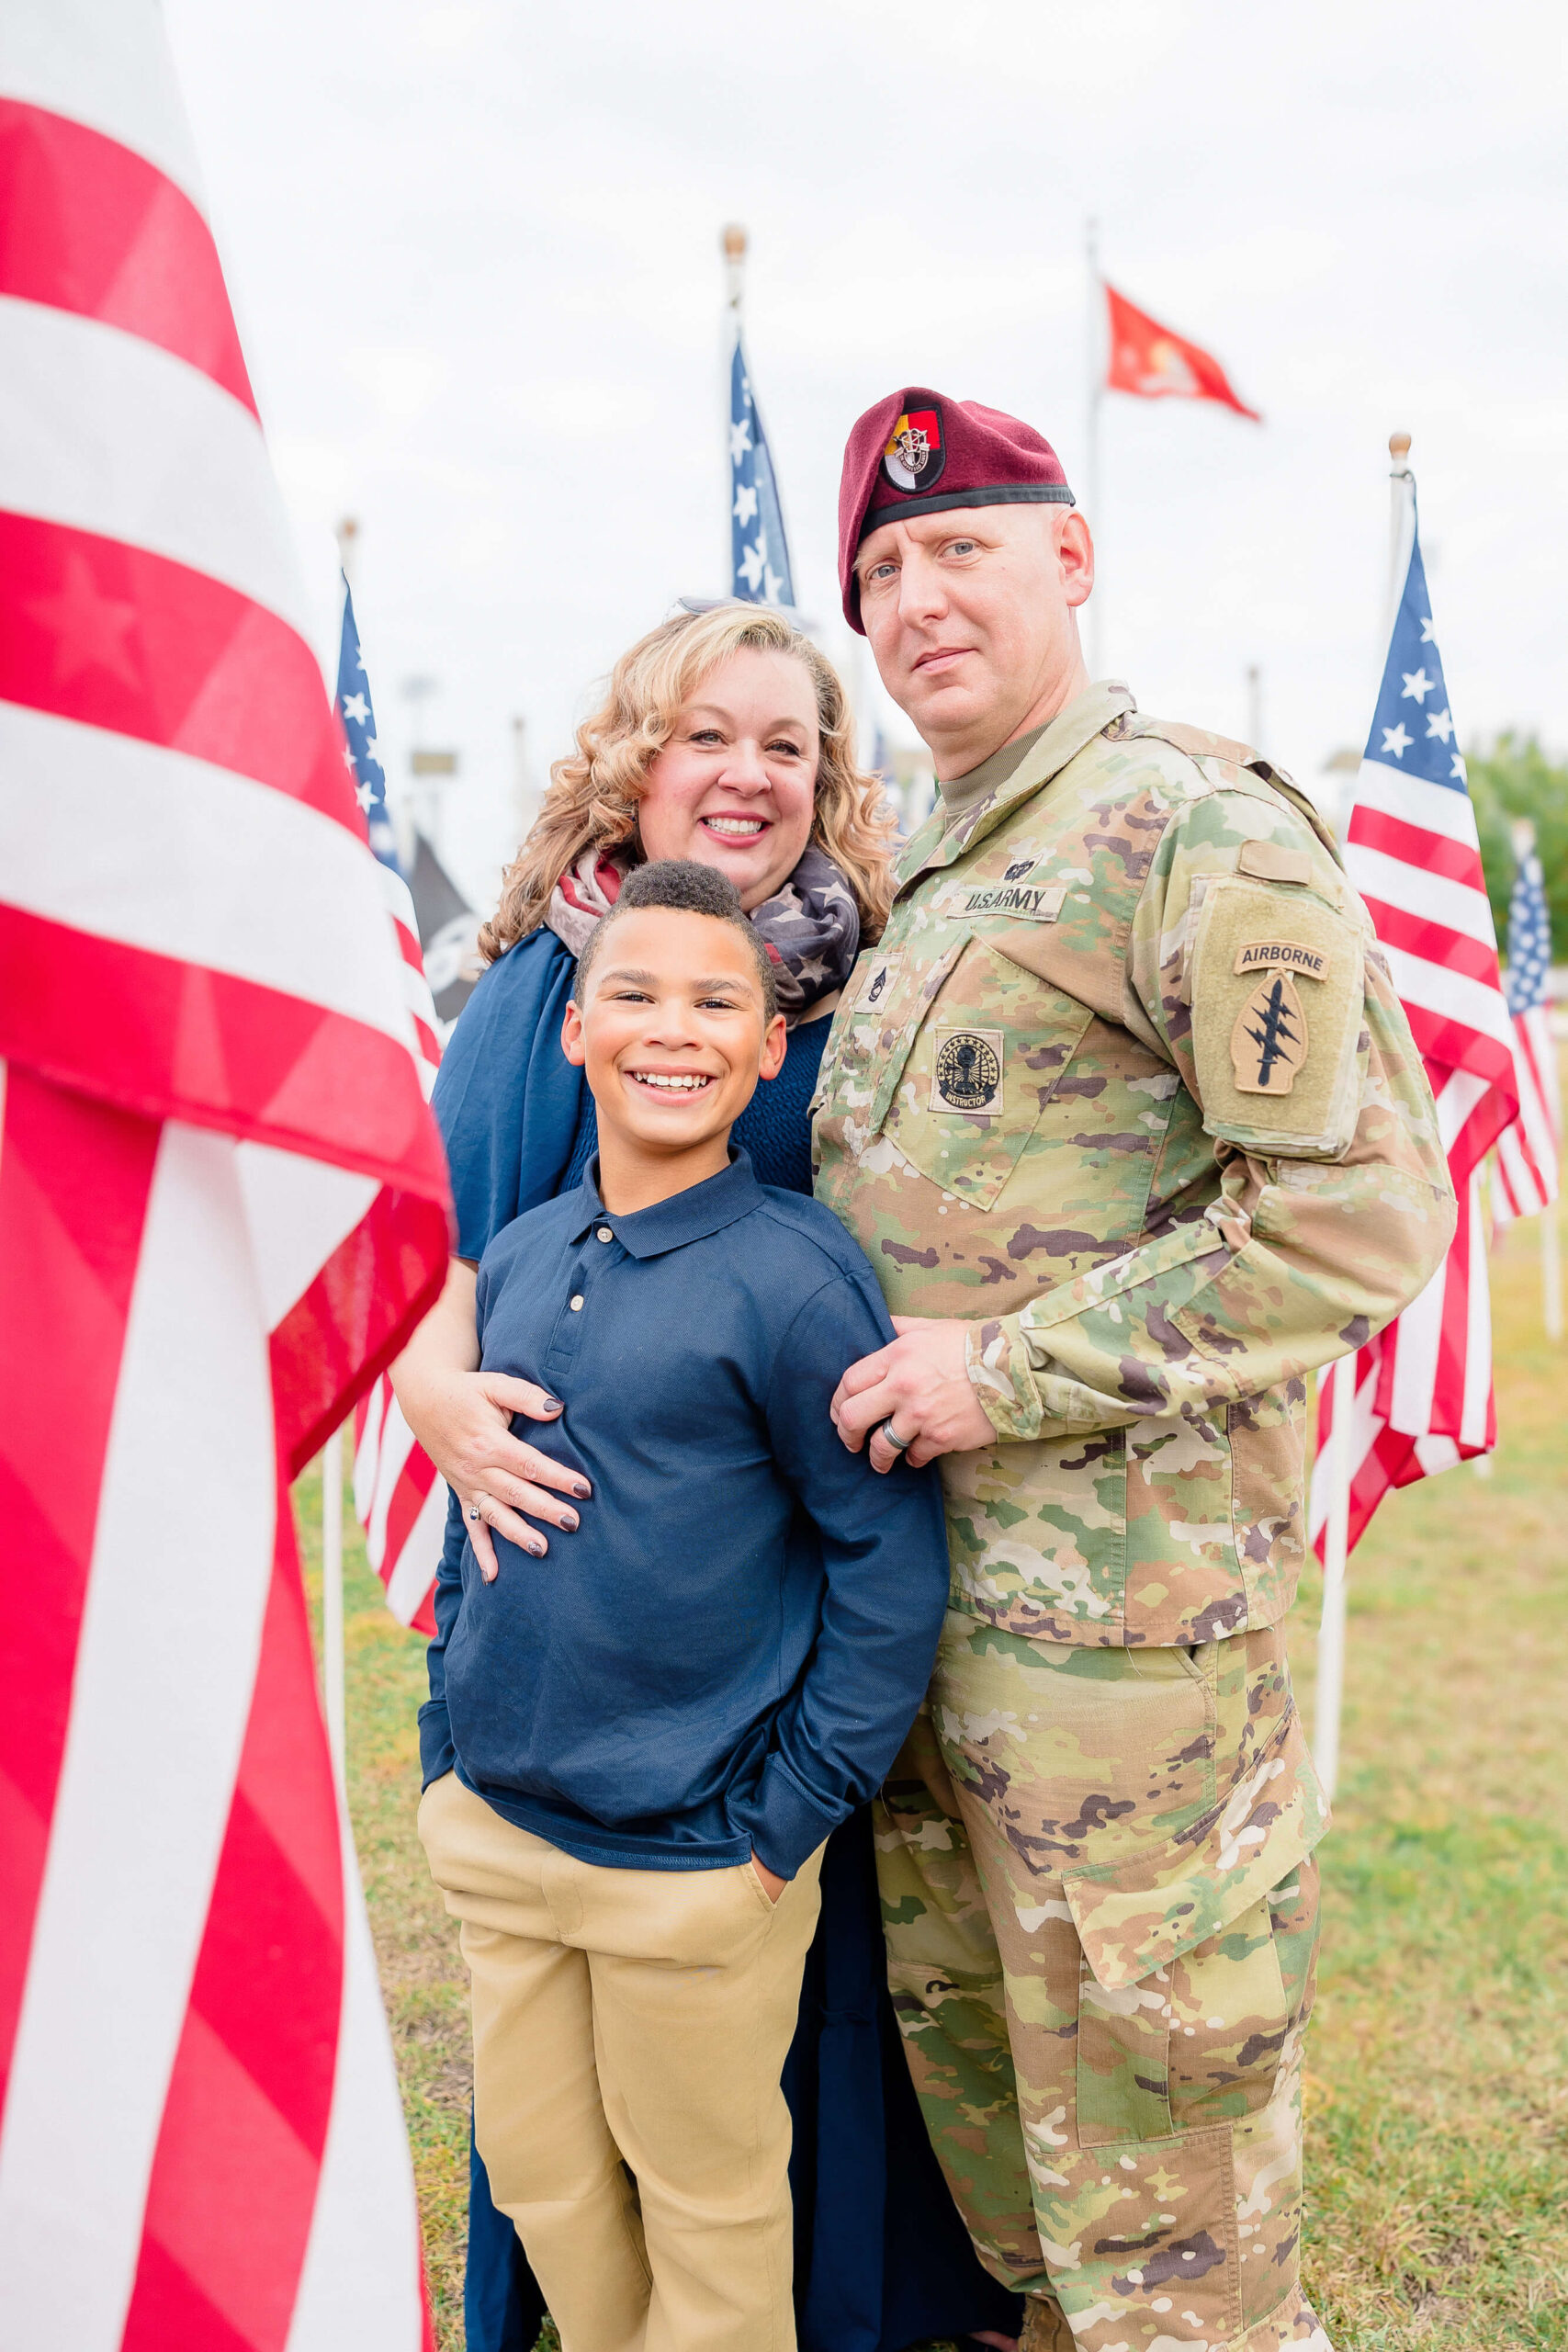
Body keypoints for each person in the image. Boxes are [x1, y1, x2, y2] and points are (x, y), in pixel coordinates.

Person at [812, 389, 1458, 2352]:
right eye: (883, 570)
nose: (919, 597)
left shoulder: (1182, 821)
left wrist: (1002, 1368)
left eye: (963, 549)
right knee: (1025, 2218)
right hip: (947, 1646)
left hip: (1135, 1686)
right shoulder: (941, 862)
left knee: (1172, 2241)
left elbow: (1354, 1212)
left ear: (1070, 559)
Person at [391, 601, 1022, 2352]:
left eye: (789, 746)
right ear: (635, 758)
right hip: (567, 1687)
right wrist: (440, 1405)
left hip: (760, 1705)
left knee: (749, 2112)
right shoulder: (541, 990)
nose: (747, 775)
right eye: (706, 737)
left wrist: (773, 1817)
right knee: (564, 2138)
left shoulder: (870, 987)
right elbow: (447, 1260)